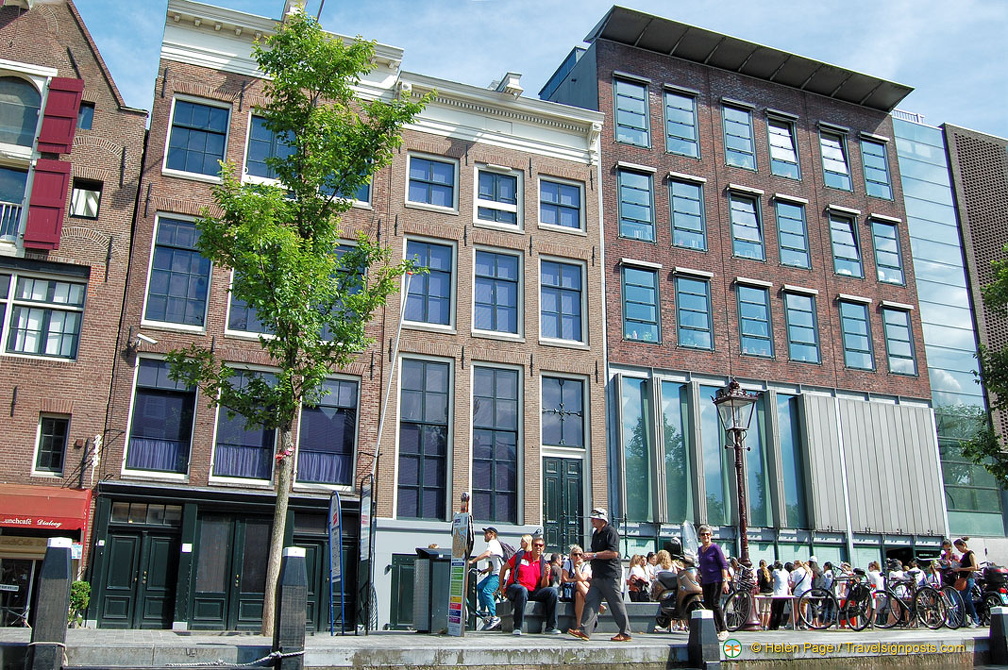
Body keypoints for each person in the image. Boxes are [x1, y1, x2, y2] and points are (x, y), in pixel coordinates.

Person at [567, 508, 632, 642]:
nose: (592, 520)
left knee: (616, 603)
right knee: (591, 600)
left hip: (609, 575)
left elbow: (614, 553)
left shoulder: (611, 532)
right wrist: (588, 557)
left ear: (602, 520)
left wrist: (594, 555)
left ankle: (625, 632)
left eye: (595, 518)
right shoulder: (596, 534)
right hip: (597, 575)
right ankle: (585, 631)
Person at [498, 534, 560, 636]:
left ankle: (551, 627)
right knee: (522, 590)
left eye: (540, 545)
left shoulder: (544, 563)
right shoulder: (520, 556)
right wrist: (501, 587)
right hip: (516, 587)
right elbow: (503, 569)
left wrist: (546, 574)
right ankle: (517, 627)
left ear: (543, 548)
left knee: (553, 591)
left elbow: (544, 586)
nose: (538, 547)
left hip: (533, 590)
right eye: (536, 545)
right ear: (532, 546)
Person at [696, 524, 730, 640]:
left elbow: (723, 565)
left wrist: (725, 581)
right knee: (708, 605)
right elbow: (702, 564)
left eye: (708, 534)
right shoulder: (700, 550)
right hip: (706, 580)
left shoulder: (715, 548)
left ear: (711, 535)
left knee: (715, 603)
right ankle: (714, 630)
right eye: (703, 534)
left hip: (716, 579)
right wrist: (698, 573)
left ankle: (723, 629)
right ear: (699, 536)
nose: (705, 536)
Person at [468, 526, 504, 630]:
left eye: (486, 533)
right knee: (480, 587)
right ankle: (483, 610)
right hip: (494, 573)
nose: (484, 535)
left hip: (499, 575)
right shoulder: (495, 544)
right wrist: (486, 570)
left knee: (487, 592)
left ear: (492, 535)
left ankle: (494, 616)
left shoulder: (493, 543)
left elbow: (486, 554)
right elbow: (497, 562)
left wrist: (473, 561)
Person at [561, 544, 592, 628]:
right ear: (571, 556)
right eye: (575, 554)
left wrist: (577, 567)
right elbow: (564, 579)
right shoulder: (568, 563)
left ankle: (578, 625)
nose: (578, 556)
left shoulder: (586, 566)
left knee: (579, 594)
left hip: (580, 592)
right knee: (579, 583)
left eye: (580, 554)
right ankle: (594, 603)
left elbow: (583, 578)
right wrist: (577, 579)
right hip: (570, 591)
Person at [955, 537, 981, 627]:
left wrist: (960, 569)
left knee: (961, 600)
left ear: (964, 545)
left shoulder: (970, 554)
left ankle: (961, 620)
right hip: (964, 579)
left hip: (968, 578)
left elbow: (974, 567)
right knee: (968, 601)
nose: (958, 550)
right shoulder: (965, 555)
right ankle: (975, 620)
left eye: (959, 547)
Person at [769, 561, 790, 630]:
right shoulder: (786, 572)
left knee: (774, 610)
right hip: (784, 594)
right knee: (780, 611)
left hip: (777, 593)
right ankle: (777, 625)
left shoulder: (775, 571)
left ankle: (772, 625)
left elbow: (771, 578)